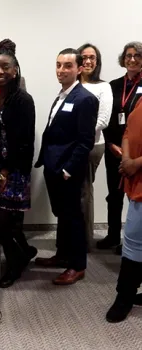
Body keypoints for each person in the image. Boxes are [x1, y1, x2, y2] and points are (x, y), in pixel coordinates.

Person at [34, 48, 99, 285]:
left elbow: (85, 142)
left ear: (80, 68)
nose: (61, 70)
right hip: (53, 167)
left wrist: (68, 170)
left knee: (73, 218)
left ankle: (77, 265)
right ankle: (62, 255)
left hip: (67, 171)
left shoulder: (85, 99)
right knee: (62, 215)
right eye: (58, 65)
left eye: (67, 66)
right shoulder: (63, 95)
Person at [0, 40, 37, 288]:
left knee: (4, 223)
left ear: (15, 70)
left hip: (13, 170)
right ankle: (24, 251)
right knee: (3, 221)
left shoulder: (23, 100)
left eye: (5, 67)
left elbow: (24, 141)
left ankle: (15, 263)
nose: (0, 72)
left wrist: (5, 170)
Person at [98, 42, 142, 252]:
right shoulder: (113, 86)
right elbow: (105, 117)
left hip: (137, 152)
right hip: (114, 148)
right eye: (128, 56)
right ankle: (113, 235)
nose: (132, 59)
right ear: (123, 59)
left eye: (137, 56)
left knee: (135, 196)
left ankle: (133, 240)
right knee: (113, 195)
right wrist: (110, 144)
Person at [106, 97, 142, 323]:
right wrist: (127, 159)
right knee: (134, 241)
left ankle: (124, 297)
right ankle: (125, 295)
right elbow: (128, 130)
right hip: (136, 178)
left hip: (137, 170)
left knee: (134, 240)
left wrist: (135, 163)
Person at [78, 43, 113, 250]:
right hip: (71, 146)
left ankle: (84, 242)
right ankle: (71, 239)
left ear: (97, 62)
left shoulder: (103, 87)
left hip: (91, 146)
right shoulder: (72, 84)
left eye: (93, 58)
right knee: (73, 194)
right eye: (84, 57)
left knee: (84, 193)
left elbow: (103, 120)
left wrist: (79, 135)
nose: (88, 61)